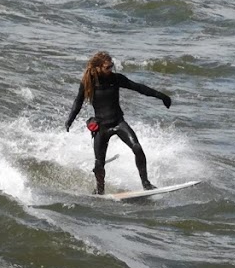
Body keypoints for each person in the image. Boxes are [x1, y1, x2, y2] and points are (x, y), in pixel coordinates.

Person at [65, 50, 172, 194]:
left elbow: (138, 87)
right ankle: (100, 191)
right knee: (99, 163)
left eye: (111, 66)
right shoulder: (88, 82)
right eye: (107, 67)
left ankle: (146, 183)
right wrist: (70, 120)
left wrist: (161, 96)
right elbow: (78, 102)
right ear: (98, 67)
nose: (110, 69)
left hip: (118, 122)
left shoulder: (116, 79)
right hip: (101, 127)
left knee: (137, 148)